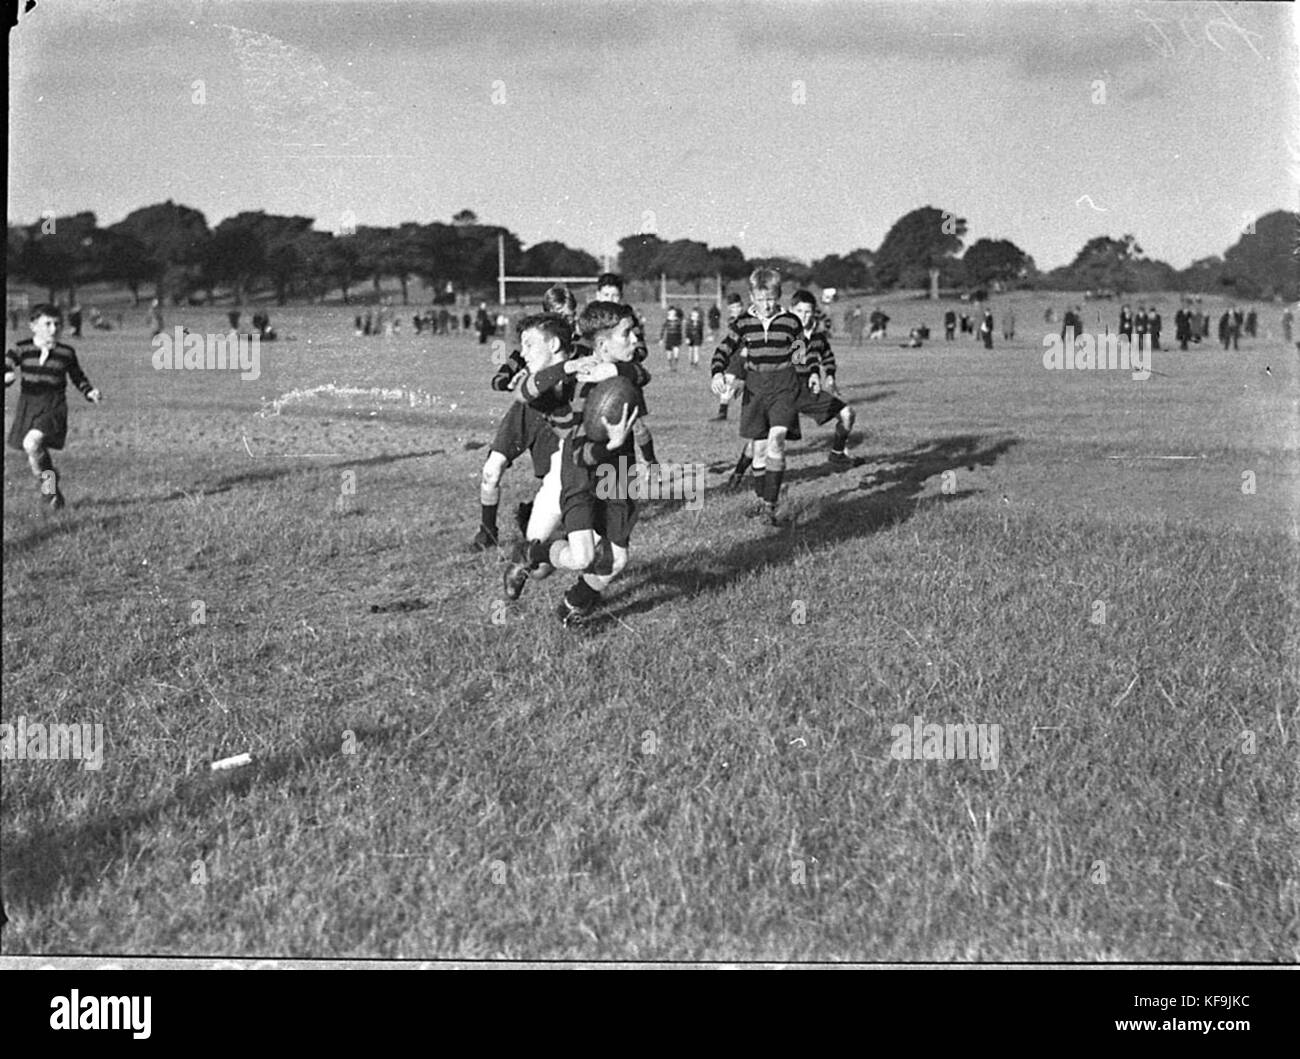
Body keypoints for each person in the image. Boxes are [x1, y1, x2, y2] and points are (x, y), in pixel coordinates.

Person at [505, 302, 643, 626]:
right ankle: (531, 553)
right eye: (628, 333)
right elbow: (524, 393)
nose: (636, 339)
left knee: (618, 558)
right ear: (603, 343)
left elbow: (642, 373)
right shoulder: (572, 384)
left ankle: (571, 608)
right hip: (581, 470)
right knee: (582, 557)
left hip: (619, 469)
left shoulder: (622, 373)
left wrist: (616, 371)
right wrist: (568, 368)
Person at [709, 268, 805, 526]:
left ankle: (770, 507)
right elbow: (724, 350)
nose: (766, 305)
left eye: (771, 298)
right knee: (759, 449)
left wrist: (809, 379)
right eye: (761, 299)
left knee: (777, 441)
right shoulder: (742, 323)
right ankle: (765, 497)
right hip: (755, 388)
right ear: (752, 296)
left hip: (784, 385)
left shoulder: (792, 322)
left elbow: (800, 358)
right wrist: (717, 373)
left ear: (779, 295)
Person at [4, 304, 102, 509]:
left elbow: (77, 376)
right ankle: (50, 490)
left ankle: (49, 488)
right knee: (35, 454)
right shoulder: (22, 348)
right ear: (33, 326)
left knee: (32, 443)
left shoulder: (66, 352)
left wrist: (89, 391)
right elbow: (7, 363)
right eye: (47, 324)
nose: (53, 329)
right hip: (28, 405)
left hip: (53, 405)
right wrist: (7, 376)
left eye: (57, 324)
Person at [712, 293, 745, 420]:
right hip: (736, 357)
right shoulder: (732, 321)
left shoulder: (748, 319)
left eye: (738, 307)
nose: (736, 310)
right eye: (733, 308)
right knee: (728, 381)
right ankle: (722, 412)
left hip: (748, 355)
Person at [660, 305, 684, 372]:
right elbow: (663, 330)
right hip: (669, 339)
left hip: (676, 339)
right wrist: (661, 339)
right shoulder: (667, 321)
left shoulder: (678, 321)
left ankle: (675, 367)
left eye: (673, 312)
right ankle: (670, 367)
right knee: (669, 355)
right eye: (671, 312)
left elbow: (680, 331)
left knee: (676, 354)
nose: (672, 313)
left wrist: (681, 339)